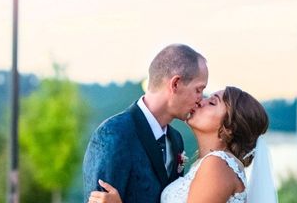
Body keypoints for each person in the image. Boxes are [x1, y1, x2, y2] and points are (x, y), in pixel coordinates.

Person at [89, 86, 273, 203]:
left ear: (230, 127)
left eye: (212, 102)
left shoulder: (217, 165)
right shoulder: (209, 164)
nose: (201, 102)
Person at [83, 44, 209, 203]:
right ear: (175, 84)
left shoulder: (176, 140)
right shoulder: (114, 133)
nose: (201, 99)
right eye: (198, 90)